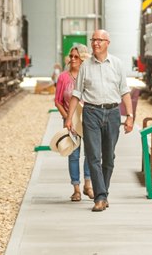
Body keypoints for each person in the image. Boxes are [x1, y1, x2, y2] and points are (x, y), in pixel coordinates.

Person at [65, 30, 133, 212]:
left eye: (99, 40)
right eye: (93, 40)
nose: (95, 43)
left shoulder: (117, 64)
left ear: (107, 42)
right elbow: (76, 93)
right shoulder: (85, 66)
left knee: (109, 158)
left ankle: (104, 192)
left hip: (112, 113)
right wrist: (69, 118)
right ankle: (100, 197)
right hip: (91, 113)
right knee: (93, 156)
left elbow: (125, 91)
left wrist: (130, 116)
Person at [54, 44, 93, 201]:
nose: (72, 59)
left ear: (83, 58)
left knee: (90, 154)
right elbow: (57, 101)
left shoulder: (89, 75)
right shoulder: (63, 77)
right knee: (73, 155)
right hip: (70, 120)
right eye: (71, 56)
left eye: (76, 57)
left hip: (89, 119)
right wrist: (66, 119)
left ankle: (88, 185)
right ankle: (76, 188)